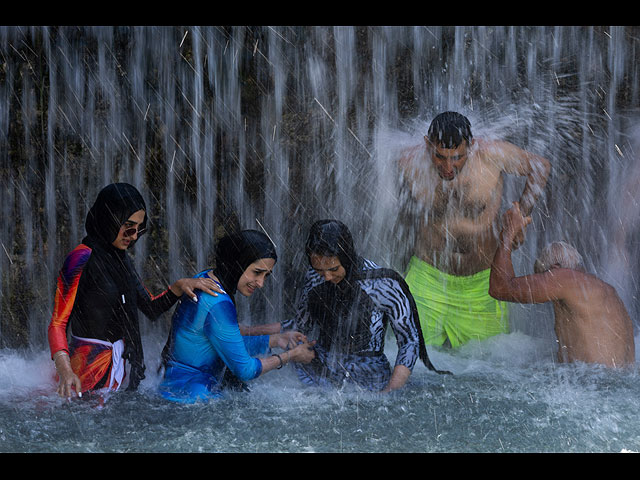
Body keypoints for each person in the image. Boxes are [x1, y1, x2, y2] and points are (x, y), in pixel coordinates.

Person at [48, 183, 222, 399]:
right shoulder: (79, 258)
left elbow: (150, 307)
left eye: (140, 229)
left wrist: (179, 287)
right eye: (129, 226)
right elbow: (58, 323)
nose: (133, 236)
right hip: (85, 369)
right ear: (109, 219)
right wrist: (65, 372)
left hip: (120, 367)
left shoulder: (122, 261)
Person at [399, 111, 551, 348]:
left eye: (457, 158)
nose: (448, 167)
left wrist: (521, 216)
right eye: (440, 157)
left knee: (488, 370)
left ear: (471, 146)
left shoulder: (491, 155)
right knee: (408, 361)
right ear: (428, 145)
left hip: (481, 287)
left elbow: (540, 167)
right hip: (426, 281)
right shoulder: (409, 162)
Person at [281, 220, 449, 393]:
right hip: (319, 371)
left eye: (334, 269)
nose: (327, 277)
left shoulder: (383, 283)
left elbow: (409, 341)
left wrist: (389, 392)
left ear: (346, 257)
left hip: (370, 377)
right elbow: (300, 327)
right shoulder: (314, 278)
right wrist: (255, 333)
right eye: (319, 270)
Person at [158, 229, 316, 403]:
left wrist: (275, 340)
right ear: (236, 263)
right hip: (192, 400)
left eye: (266, 275)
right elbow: (245, 369)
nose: (261, 283)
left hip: (175, 389)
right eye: (257, 272)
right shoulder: (217, 303)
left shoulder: (205, 279)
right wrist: (291, 355)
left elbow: (226, 345)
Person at [489, 202, 635, 367]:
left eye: (544, 278)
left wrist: (507, 234)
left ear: (554, 269)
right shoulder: (608, 293)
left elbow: (500, 288)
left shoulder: (562, 278)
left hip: (591, 385)